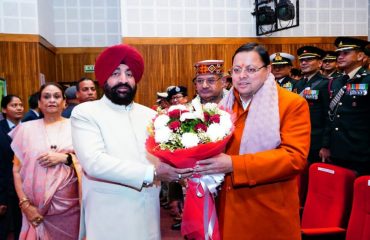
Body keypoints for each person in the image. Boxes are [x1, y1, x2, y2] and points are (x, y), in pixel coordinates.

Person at [70, 44, 193, 240]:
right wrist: (151, 173)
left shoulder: (151, 115)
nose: (124, 80)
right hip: (109, 214)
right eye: (116, 73)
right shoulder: (85, 113)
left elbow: (163, 156)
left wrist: (182, 172)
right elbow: (94, 163)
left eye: (129, 74)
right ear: (103, 79)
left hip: (148, 211)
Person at [194, 43, 310, 239]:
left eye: (251, 69)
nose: (242, 75)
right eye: (237, 70)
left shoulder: (291, 104)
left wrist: (233, 164)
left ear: (268, 70)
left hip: (267, 208)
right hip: (228, 206)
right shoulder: (224, 105)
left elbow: (294, 158)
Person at [10, 83, 80, 239]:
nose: (52, 100)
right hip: (34, 209)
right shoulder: (25, 129)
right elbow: (16, 170)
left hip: (70, 209)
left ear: (64, 102)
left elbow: (89, 164)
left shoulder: (77, 128)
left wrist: (65, 158)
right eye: (46, 96)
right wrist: (25, 205)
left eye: (56, 96)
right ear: (40, 103)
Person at [323, 37, 370, 175]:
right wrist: (326, 145)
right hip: (337, 150)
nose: (340, 56)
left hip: (362, 152)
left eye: (346, 52)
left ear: (360, 55)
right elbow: (330, 116)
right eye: (339, 53)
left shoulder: (367, 80)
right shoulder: (336, 82)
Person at [0, 95, 23, 240]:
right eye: (14, 105)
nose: (19, 108)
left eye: (20, 105)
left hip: (24, 190)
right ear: (4, 109)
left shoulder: (27, 128)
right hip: (5, 190)